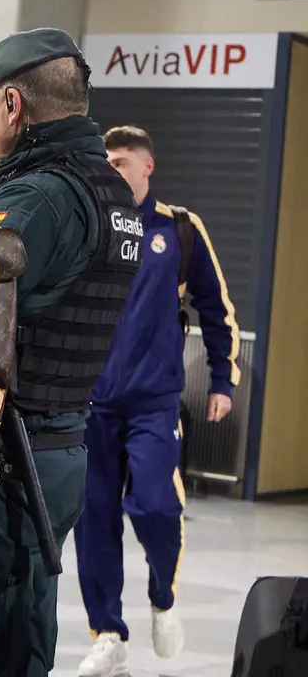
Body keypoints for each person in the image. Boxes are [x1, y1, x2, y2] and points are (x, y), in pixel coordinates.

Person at [0, 28, 141, 677]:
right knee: (21, 625)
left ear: (12, 105)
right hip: (60, 449)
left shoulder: (38, 198)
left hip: (2, 462)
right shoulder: (112, 193)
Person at [75, 125, 240, 676]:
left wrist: (222, 381)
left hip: (154, 402)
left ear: (147, 166)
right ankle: (107, 635)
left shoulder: (180, 229)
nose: (112, 170)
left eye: (122, 162)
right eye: (106, 162)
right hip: (94, 404)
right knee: (94, 520)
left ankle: (163, 598)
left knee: (154, 505)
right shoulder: (91, 225)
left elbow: (217, 309)